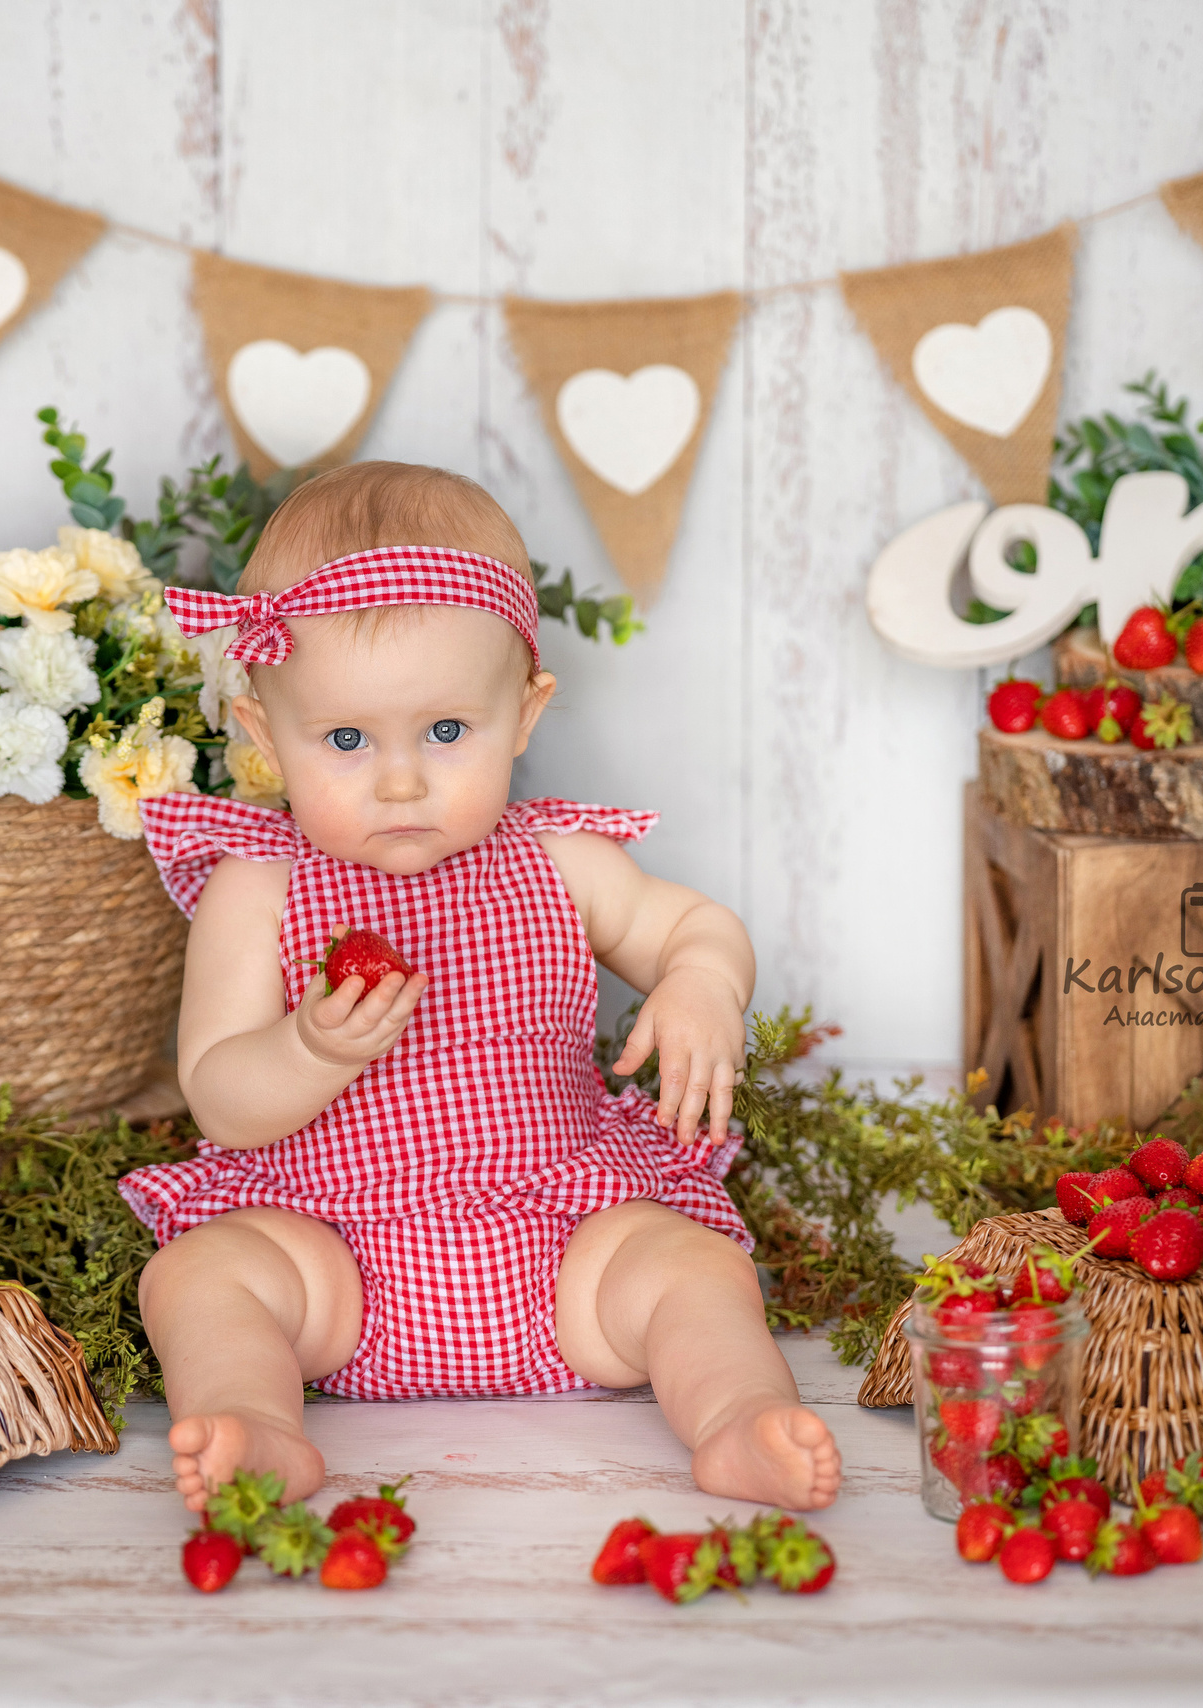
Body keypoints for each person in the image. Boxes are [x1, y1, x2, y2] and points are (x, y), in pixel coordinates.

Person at [125, 461, 840, 1516]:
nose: (402, 779)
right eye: (347, 739)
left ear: (524, 713)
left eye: (447, 732)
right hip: (334, 1261)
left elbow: (690, 925)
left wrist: (699, 985)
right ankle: (260, 1421)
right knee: (197, 1278)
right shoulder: (259, 886)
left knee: (690, 1268)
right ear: (267, 734)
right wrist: (311, 1050)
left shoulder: (561, 860)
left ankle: (736, 1416)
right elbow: (220, 1094)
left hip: (563, 1251)